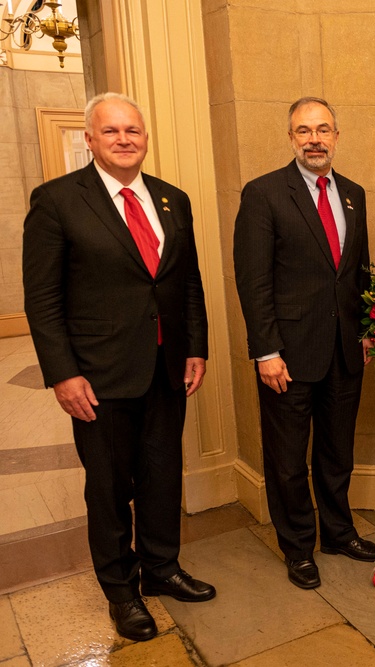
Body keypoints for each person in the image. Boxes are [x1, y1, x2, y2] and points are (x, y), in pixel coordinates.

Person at [22, 92, 215, 642]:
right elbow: (43, 298)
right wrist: (63, 373)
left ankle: (162, 568)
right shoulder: (58, 201)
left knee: (161, 472)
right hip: (98, 375)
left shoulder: (173, 199)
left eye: (133, 129)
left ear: (145, 137)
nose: (124, 139)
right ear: (90, 139)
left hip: (167, 366)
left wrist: (194, 347)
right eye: (111, 131)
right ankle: (122, 592)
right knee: (108, 485)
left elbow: (187, 284)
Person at [233, 96, 375, 590]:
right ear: (291, 138)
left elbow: (356, 272)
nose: (314, 139)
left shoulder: (355, 194)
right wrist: (266, 352)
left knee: (337, 452)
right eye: (303, 131)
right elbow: (253, 281)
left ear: (337, 136)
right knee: (288, 459)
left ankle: (338, 533)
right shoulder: (264, 193)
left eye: (323, 130)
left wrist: (364, 331)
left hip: (343, 350)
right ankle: (298, 547)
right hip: (288, 357)